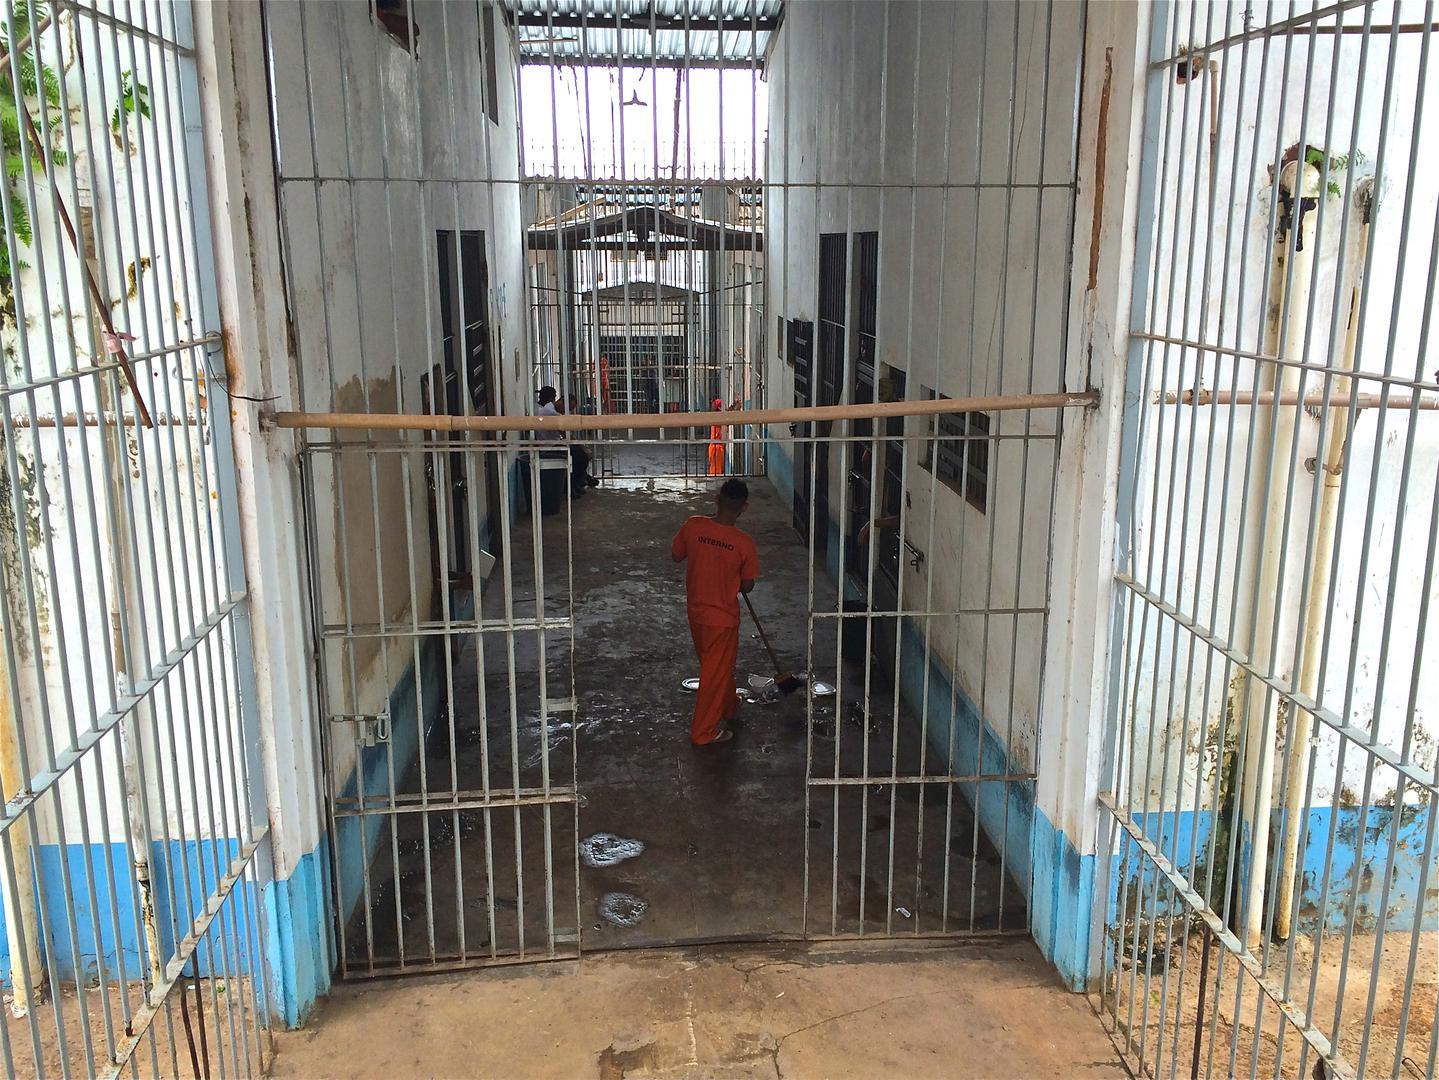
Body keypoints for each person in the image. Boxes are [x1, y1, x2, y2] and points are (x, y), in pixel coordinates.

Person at [671, 478, 759, 746]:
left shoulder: (693, 526)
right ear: (743, 508)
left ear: (716, 499)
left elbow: (676, 555)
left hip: (696, 612)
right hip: (722, 618)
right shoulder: (743, 543)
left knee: (716, 667)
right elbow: (748, 585)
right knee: (714, 672)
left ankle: (729, 706)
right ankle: (703, 732)